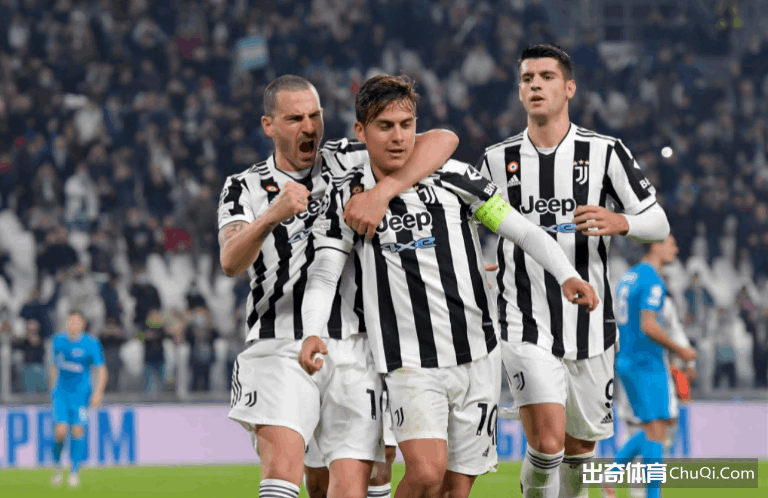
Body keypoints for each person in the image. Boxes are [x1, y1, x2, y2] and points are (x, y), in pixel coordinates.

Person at [299, 74, 598, 498]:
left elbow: (522, 230)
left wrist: (566, 273)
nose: (398, 137)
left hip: (478, 354)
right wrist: (312, 330)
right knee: (425, 472)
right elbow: (325, 273)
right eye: (385, 126)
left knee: (456, 489)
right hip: (408, 360)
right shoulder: (349, 196)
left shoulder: (454, 177)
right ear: (360, 132)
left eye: (406, 125)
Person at [219, 74, 459, 498]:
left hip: (356, 346)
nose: (309, 127)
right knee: (283, 471)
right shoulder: (244, 186)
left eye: (315, 116)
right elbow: (231, 261)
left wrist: (382, 192)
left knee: (346, 485)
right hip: (280, 341)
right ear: (268, 125)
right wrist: (271, 215)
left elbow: (443, 140)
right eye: (295, 119)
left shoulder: (348, 158)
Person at [476, 44, 671, 498]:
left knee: (579, 455)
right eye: (528, 78)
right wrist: (472, 263)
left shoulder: (604, 152)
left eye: (546, 76)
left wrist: (621, 222)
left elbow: (658, 222)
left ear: (569, 88)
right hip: (524, 320)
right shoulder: (495, 160)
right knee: (547, 443)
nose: (536, 85)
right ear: (519, 91)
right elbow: (464, 222)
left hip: (591, 326)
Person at [613, 236, 696, 498]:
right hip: (647, 363)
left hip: (626, 360)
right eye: (671, 244)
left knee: (657, 427)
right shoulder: (652, 280)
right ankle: (650, 494)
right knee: (658, 432)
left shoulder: (628, 277)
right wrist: (681, 350)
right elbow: (648, 325)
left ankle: (612, 475)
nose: (676, 249)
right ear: (656, 246)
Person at [48, 309, 107, 488]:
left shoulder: (91, 343)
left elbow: (101, 370)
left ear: (82, 324)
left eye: (75, 321)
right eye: (69, 321)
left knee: (77, 431)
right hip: (61, 394)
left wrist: (98, 393)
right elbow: (53, 365)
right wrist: (53, 387)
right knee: (60, 432)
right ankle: (57, 467)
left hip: (81, 396)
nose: (72, 325)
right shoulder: (58, 341)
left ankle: (74, 472)